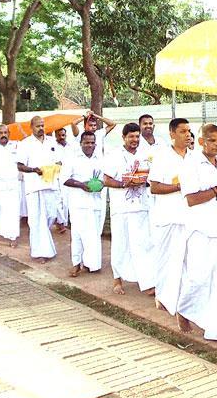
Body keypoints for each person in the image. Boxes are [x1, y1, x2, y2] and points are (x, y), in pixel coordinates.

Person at [174, 124, 217, 345]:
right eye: (212, 140)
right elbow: (191, 199)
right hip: (199, 230)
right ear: (201, 141)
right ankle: (183, 309)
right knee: (198, 278)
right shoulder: (190, 164)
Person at [102, 122, 152, 295]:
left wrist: (142, 181)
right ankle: (117, 280)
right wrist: (124, 184)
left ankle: (147, 282)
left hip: (141, 207)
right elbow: (106, 180)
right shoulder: (114, 154)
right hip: (121, 208)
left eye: (137, 136)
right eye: (131, 136)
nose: (135, 139)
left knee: (143, 244)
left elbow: (151, 179)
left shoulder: (146, 154)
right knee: (121, 245)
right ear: (123, 137)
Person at [148, 118, 190, 315]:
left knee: (185, 260)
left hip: (189, 216)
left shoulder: (194, 157)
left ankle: (180, 297)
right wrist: (178, 187)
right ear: (172, 134)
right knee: (165, 258)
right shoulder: (162, 156)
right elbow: (154, 187)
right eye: (182, 131)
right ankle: (162, 296)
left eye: (189, 131)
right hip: (167, 216)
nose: (187, 135)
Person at [62, 131, 105, 276]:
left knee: (94, 235)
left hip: (96, 203)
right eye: (86, 142)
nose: (90, 145)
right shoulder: (72, 159)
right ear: (81, 143)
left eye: (92, 143)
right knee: (77, 235)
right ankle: (76, 264)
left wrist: (99, 184)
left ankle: (91, 264)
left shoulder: (100, 159)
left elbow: (105, 179)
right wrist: (81, 185)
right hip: (78, 203)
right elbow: (65, 179)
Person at [17, 116, 59, 263]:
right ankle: (40, 252)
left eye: (42, 125)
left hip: (51, 184)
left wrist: (56, 166)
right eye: (38, 126)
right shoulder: (24, 144)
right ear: (31, 127)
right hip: (34, 186)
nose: (41, 128)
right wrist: (34, 170)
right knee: (36, 220)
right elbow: (20, 166)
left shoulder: (52, 142)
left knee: (51, 215)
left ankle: (45, 247)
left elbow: (58, 160)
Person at [50, 128, 70, 232]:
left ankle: (61, 222)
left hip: (67, 177)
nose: (62, 137)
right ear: (55, 135)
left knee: (65, 201)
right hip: (55, 175)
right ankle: (61, 223)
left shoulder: (70, 146)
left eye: (63, 135)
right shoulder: (52, 146)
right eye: (59, 135)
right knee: (57, 199)